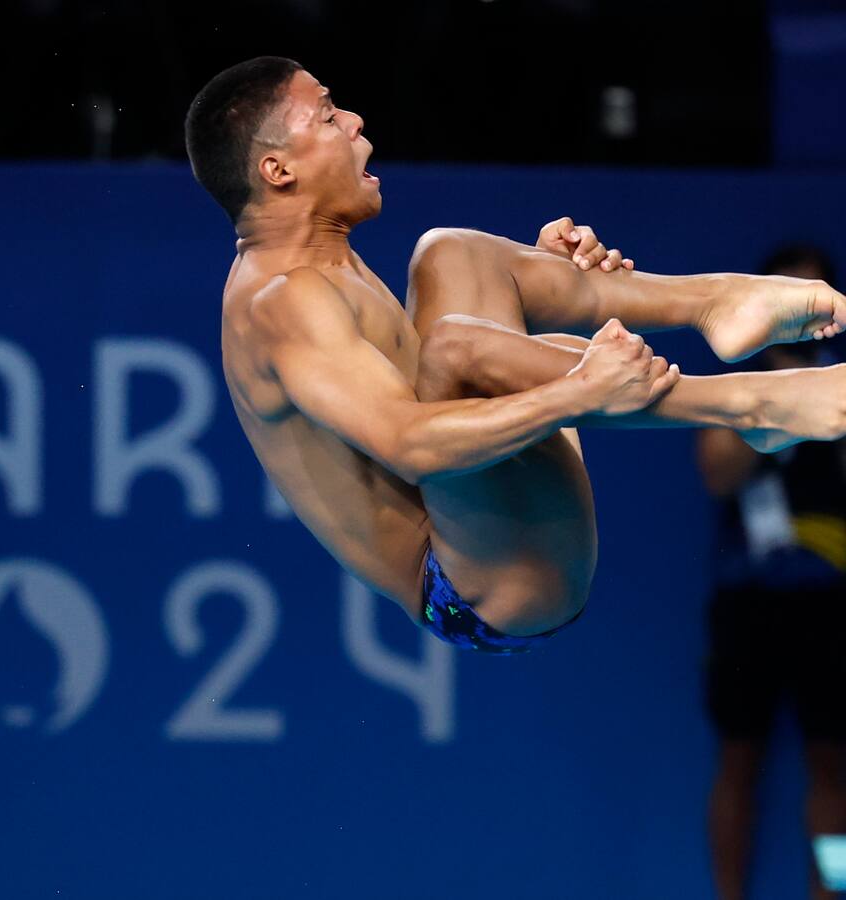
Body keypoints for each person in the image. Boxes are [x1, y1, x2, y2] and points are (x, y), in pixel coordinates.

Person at [184, 56, 846, 653]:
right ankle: (754, 404)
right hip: (475, 588)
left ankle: (717, 303)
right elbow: (409, 445)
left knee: (451, 253)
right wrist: (578, 392)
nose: (355, 120)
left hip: (489, 516)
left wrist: (533, 274)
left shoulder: (319, 261)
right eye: (328, 115)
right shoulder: (281, 300)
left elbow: (441, 376)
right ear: (278, 170)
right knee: (458, 349)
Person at [697, 245, 846, 900]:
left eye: (813, 299)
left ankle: (831, 893)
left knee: (834, 770)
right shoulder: (739, 378)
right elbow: (716, 472)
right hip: (748, 602)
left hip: (832, 603)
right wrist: (773, 404)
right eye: (789, 299)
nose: (801, 314)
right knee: (738, 762)